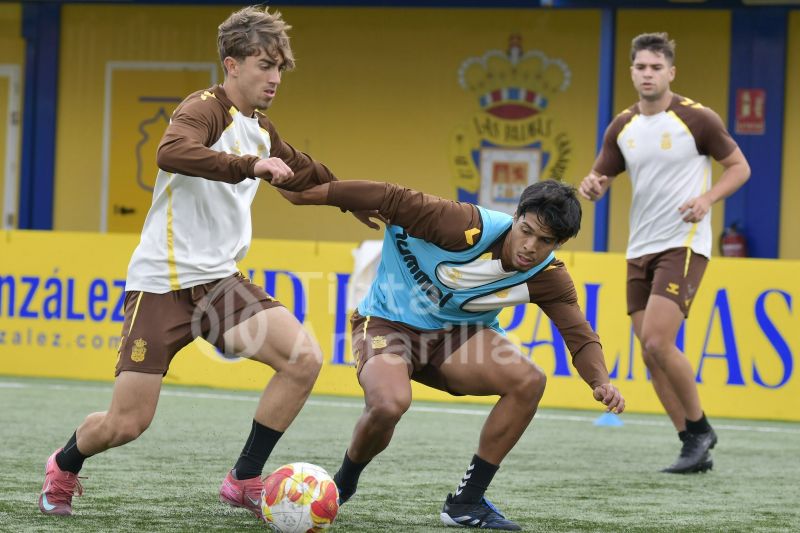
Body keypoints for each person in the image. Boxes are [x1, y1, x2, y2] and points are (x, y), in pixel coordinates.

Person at [38, 5, 378, 518]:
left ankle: (244, 479)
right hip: (163, 285)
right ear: (231, 65)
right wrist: (249, 166)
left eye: (280, 67)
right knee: (127, 423)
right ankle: (63, 464)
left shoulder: (261, 129)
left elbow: (304, 174)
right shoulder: (203, 108)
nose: (275, 78)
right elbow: (171, 152)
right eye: (264, 65)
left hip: (220, 284)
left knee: (303, 359)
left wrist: (357, 200)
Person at [276, 178, 625, 530]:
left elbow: (580, 335)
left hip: (457, 338)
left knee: (529, 381)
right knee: (389, 404)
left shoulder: (548, 277)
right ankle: (343, 484)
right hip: (388, 323)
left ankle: (466, 502)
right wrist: (313, 194)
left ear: (559, 244)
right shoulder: (463, 224)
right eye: (526, 231)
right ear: (516, 216)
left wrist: (600, 381)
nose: (530, 247)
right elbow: (389, 196)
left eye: (545, 241)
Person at [578, 32, 750, 474]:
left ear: (671, 72)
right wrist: (592, 187)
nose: (648, 74)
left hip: (684, 242)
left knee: (658, 340)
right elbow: (599, 179)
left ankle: (701, 428)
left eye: (656, 67)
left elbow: (740, 167)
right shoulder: (622, 126)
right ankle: (691, 443)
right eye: (641, 67)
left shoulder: (697, 119)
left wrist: (707, 199)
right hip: (639, 247)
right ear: (632, 72)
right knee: (649, 353)